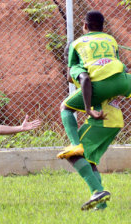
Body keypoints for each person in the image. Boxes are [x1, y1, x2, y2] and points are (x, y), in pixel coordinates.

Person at [57, 35, 131, 210]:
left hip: (101, 121)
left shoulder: (84, 71)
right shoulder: (108, 67)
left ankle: (97, 191)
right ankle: (101, 205)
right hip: (114, 120)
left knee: (74, 155)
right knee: (89, 161)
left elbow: (77, 82)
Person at [57, 10, 131, 159]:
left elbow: (80, 78)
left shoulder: (77, 45)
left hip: (99, 89)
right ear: (103, 27)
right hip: (123, 80)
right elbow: (119, 66)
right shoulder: (111, 40)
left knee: (65, 107)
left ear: (85, 25)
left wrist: (87, 108)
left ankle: (75, 144)